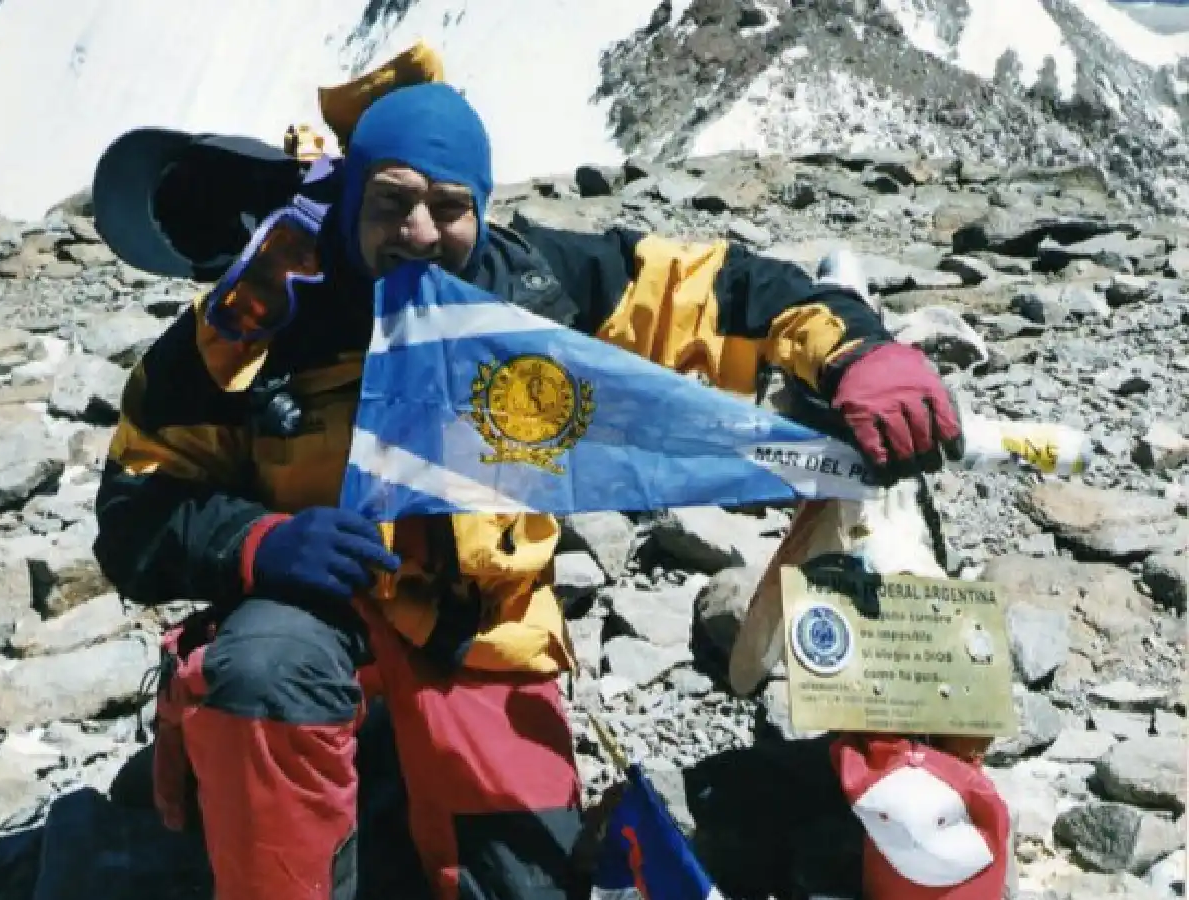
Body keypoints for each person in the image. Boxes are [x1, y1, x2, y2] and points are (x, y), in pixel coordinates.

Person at [89, 65, 963, 900]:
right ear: (351, 195)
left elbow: (729, 289)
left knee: (527, 884)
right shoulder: (259, 319)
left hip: (483, 640)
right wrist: (260, 542)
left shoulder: (540, 290)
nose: (419, 232)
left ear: (483, 206)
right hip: (320, 622)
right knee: (265, 670)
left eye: (449, 206)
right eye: (389, 202)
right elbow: (136, 508)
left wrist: (857, 350)